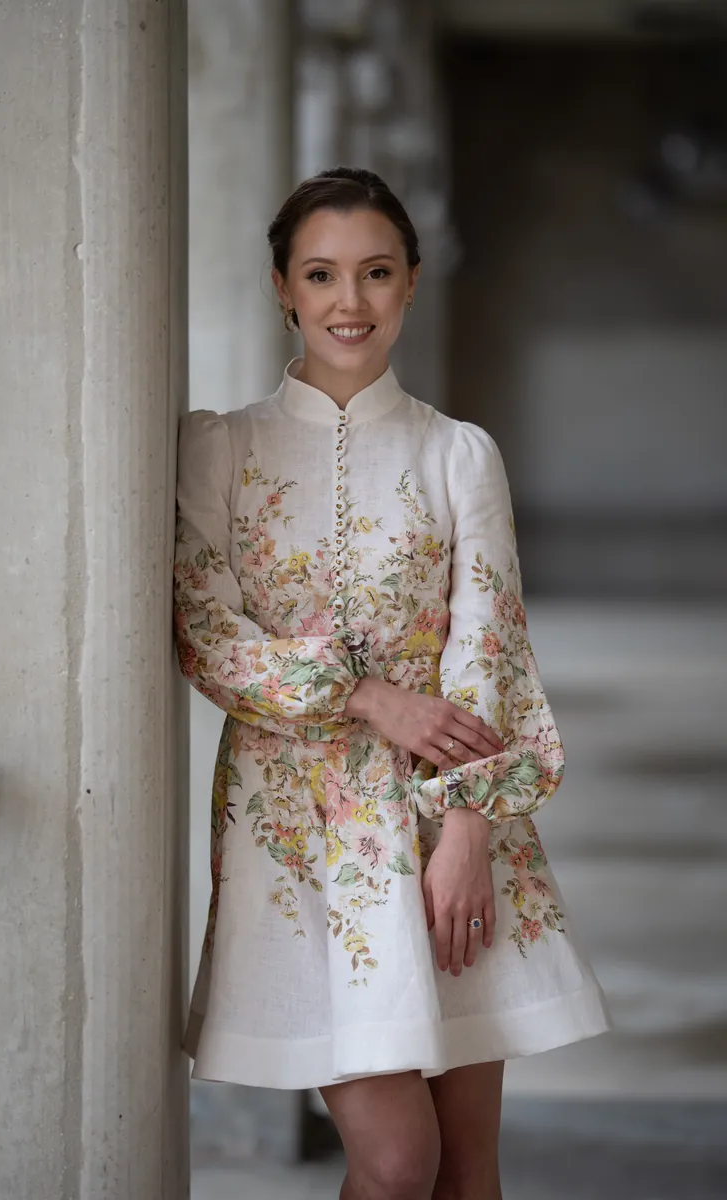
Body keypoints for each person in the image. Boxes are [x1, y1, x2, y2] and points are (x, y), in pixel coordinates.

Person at [174, 167, 610, 1200]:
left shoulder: (457, 454)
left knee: (465, 1171)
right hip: (298, 838)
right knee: (395, 1160)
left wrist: (464, 832)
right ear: (282, 286)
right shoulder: (217, 449)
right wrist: (368, 698)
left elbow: (488, 652)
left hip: (446, 829)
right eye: (321, 274)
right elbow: (203, 631)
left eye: (374, 273)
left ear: (410, 283)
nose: (348, 302)